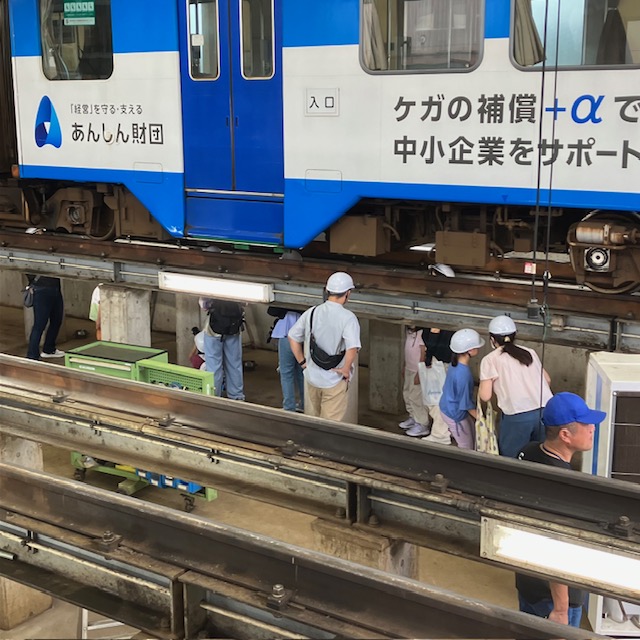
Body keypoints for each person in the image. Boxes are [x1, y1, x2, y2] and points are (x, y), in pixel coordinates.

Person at [516, 392, 605, 627]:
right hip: (553, 596)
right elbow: (556, 548)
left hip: (527, 579)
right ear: (565, 435)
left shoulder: (529, 451)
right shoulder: (563, 484)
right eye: (586, 424)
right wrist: (561, 608)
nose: (592, 429)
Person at [288, 272, 361, 422]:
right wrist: (346, 369)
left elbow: (292, 336)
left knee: (315, 422)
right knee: (330, 426)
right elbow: (352, 347)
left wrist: (303, 363)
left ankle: (311, 445)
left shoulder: (312, 312)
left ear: (327, 291)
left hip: (312, 378)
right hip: (334, 380)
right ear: (348, 293)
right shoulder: (348, 318)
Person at [479, 315, 552, 457]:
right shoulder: (529, 353)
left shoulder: (490, 359)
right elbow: (547, 380)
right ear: (514, 335)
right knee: (541, 456)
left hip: (517, 416)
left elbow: (485, 395)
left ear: (492, 339)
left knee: (513, 458)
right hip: (545, 412)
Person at [439, 328, 484, 449]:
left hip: (449, 407)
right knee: (466, 446)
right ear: (470, 350)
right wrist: (482, 419)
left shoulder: (455, 366)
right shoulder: (464, 374)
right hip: (455, 413)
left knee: (472, 438)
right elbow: (466, 405)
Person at [199, 297, 245, 400]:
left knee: (213, 367)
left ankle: (214, 397)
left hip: (214, 328)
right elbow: (245, 302)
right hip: (233, 327)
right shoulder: (239, 283)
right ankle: (237, 397)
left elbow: (204, 305)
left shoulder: (214, 283)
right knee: (234, 364)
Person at [421, 327, 455, 445]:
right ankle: (447, 430)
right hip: (446, 361)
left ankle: (440, 434)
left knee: (436, 401)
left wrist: (428, 357)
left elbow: (433, 336)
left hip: (439, 362)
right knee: (442, 399)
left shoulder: (437, 321)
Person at [399, 326, 431, 437]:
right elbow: (407, 351)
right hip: (409, 368)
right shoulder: (408, 332)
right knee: (407, 394)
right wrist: (404, 366)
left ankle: (422, 424)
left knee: (415, 397)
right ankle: (413, 416)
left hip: (417, 370)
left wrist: (419, 372)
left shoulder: (422, 333)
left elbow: (423, 354)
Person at [271, 309, 304, 412]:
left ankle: (289, 406)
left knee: (286, 373)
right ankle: (305, 404)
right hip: (303, 335)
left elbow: (272, 310)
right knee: (302, 373)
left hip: (286, 333)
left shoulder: (285, 305)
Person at [26, 275, 65, 360]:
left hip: (55, 288)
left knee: (57, 320)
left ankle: (49, 349)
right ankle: (32, 355)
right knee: (39, 324)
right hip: (41, 290)